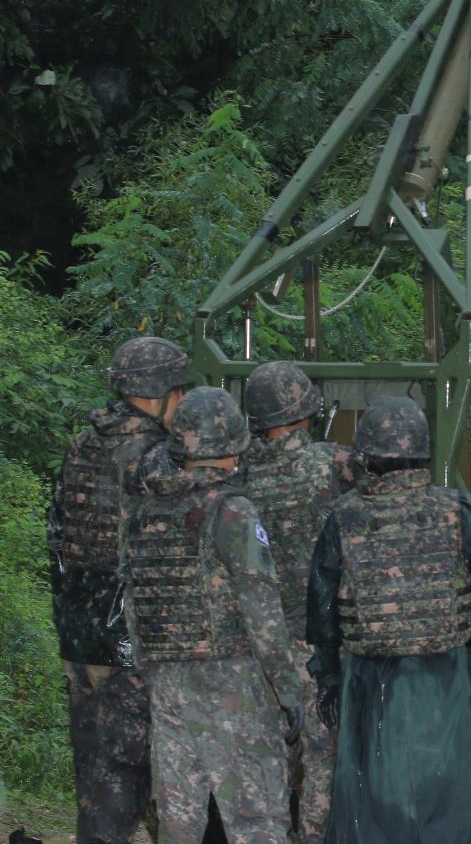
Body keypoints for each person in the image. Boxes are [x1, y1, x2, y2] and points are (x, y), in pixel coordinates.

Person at [307, 395, 471, 844]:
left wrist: (327, 678)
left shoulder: (345, 516)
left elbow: (322, 610)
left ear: (367, 456)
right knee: (450, 804)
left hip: (370, 681)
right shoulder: (454, 511)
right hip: (442, 677)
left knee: (372, 807)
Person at [121, 385, 305, 844]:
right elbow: (261, 610)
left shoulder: (145, 510)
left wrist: (150, 674)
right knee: (256, 821)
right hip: (232, 685)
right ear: (236, 443)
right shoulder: (232, 511)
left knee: (179, 823)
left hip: (168, 685)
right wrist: (287, 691)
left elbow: (131, 605)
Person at [47, 335, 193, 844]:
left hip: (80, 630)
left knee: (97, 774)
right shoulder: (155, 458)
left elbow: (58, 533)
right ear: (163, 394)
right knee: (135, 779)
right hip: (132, 639)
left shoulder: (83, 444)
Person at [243, 361, 357, 843]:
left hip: (256, 645)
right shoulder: (333, 465)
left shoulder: (239, 476)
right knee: (322, 759)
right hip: (316, 645)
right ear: (307, 409)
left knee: (262, 759)